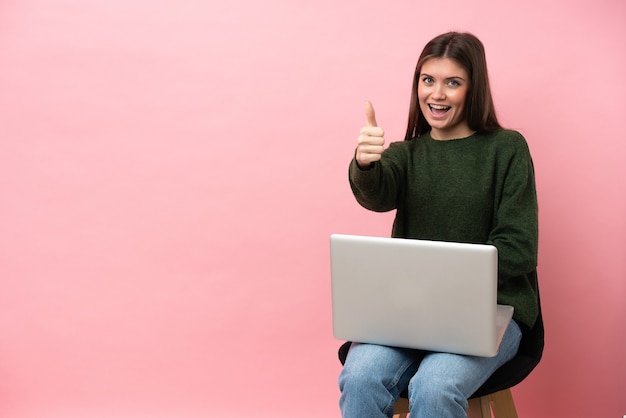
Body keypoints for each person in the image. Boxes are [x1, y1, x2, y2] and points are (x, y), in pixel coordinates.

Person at [338, 32, 539, 418]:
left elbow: (518, 246)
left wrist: (451, 280)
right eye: (428, 80)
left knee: (435, 386)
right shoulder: (405, 155)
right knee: (360, 378)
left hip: (489, 311)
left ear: (473, 88)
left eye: (453, 82)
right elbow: (375, 194)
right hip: (408, 313)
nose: (437, 94)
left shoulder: (507, 148)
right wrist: (365, 162)